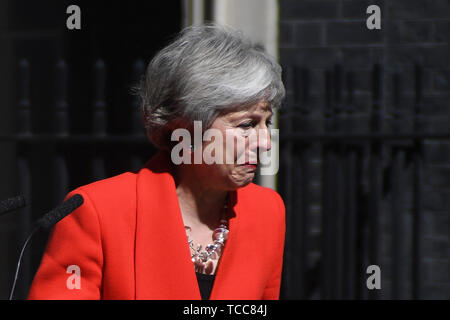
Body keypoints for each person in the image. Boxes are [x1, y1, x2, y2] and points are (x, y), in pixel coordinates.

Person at [27, 23, 286, 300]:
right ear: (185, 126)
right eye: (246, 124)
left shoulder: (267, 212)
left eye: (266, 123)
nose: (265, 142)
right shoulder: (97, 213)